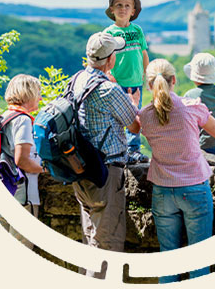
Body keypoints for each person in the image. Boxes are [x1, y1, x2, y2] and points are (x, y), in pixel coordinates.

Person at [138, 59, 215, 283]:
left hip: (162, 189)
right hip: (194, 189)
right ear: (174, 81)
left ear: (149, 85)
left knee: (168, 259)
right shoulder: (192, 107)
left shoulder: (145, 116)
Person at [72, 32, 141, 278]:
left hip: (80, 168)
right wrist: (131, 102)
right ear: (110, 60)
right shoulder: (109, 90)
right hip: (106, 173)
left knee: (91, 240)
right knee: (107, 246)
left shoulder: (77, 80)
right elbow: (135, 126)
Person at [0, 74, 46, 249]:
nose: (40, 98)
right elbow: (22, 160)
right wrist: (46, 169)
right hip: (22, 195)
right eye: (38, 93)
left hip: (5, 190)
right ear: (28, 95)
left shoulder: (5, 117)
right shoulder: (23, 120)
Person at [103, 0, 149, 164]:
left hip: (135, 82)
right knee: (116, 118)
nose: (123, 9)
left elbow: (143, 53)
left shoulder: (137, 30)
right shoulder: (109, 32)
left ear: (133, 11)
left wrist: (148, 75)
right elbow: (105, 57)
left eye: (127, 6)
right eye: (119, 5)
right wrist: (108, 75)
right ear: (112, 10)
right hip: (117, 82)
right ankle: (116, 150)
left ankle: (133, 150)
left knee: (134, 116)